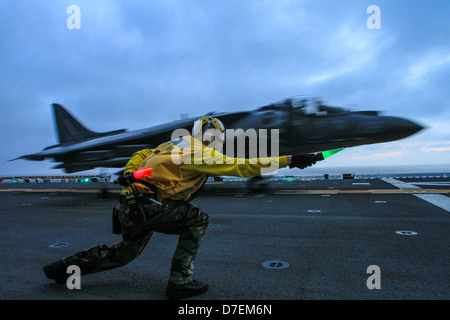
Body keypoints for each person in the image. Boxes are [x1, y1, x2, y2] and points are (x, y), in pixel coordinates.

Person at [43, 116, 317, 299]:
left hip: (131, 202)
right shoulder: (201, 152)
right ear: (214, 136)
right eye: (218, 137)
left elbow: (140, 154)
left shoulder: (172, 143)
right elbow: (244, 167)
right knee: (198, 220)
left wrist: (129, 171)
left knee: (123, 253)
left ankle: (63, 268)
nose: (219, 141)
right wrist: (290, 159)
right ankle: (179, 282)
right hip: (150, 205)